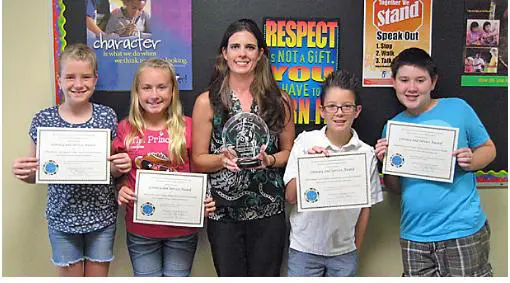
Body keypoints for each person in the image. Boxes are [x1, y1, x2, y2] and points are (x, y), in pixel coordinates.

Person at [11, 43, 132, 276]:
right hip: (62, 217)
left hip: (101, 216)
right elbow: (36, 173)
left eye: (86, 76)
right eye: (70, 77)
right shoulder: (43, 119)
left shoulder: (106, 116)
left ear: (95, 79)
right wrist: (25, 173)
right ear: (59, 80)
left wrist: (119, 167)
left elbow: (111, 170)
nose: (78, 84)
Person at [375, 48, 496, 277]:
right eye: (404, 80)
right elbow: (395, 187)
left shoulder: (458, 108)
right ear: (393, 83)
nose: (412, 88)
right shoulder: (393, 127)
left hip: (461, 230)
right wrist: (385, 163)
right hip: (414, 234)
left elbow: (489, 149)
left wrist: (471, 161)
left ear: (433, 82)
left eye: (420, 80)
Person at [191, 18, 295, 276]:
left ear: (260, 54)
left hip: (268, 210)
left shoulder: (279, 100)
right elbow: (198, 159)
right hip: (224, 214)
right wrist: (221, 160)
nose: (242, 54)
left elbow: (289, 153)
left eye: (250, 47)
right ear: (224, 53)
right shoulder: (208, 102)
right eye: (235, 46)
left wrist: (269, 160)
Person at [112, 58, 216, 277]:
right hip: (141, 229)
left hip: (182, 229)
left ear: (173, 90)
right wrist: (121, 188)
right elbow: (120, 174)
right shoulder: (125, 128)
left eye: (162, 87)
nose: (154, 95)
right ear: (137, 92)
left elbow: (200, 170)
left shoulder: (189, 126)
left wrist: (204, 198)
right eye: (147, 88)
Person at [283, 70, 383, 277]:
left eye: (347, 106)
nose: (339, 113)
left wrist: (356, 245)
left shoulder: (366, 153)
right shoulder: (305, 142)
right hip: (304, 248)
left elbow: (366, 206)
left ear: (357, 111)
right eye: (332, 106)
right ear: (322, 111)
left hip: (344, 252)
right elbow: (290, 197)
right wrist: (309, 166)